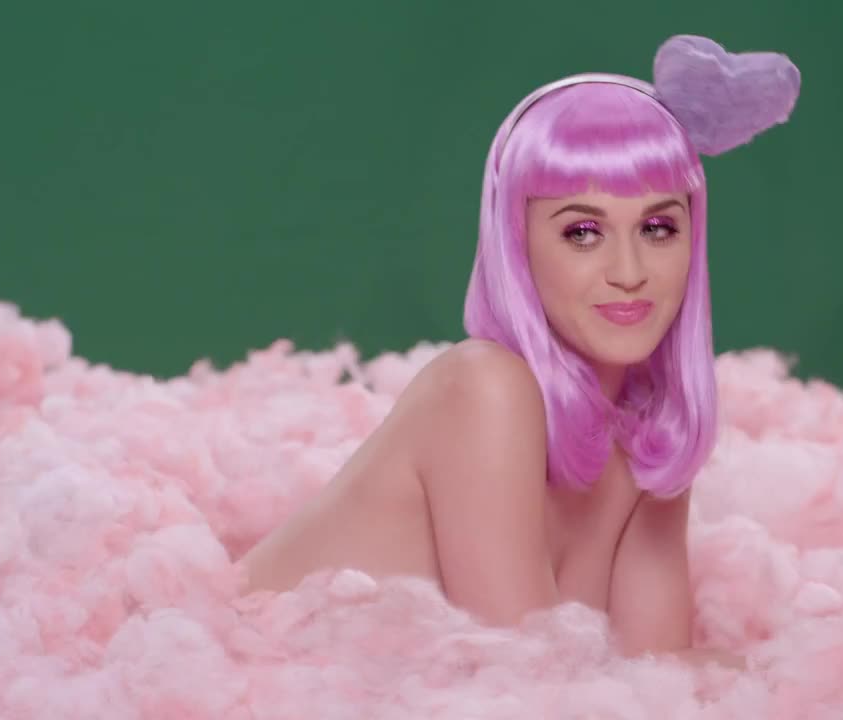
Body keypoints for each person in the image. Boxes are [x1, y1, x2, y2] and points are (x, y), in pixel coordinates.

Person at [237, 34, 801, 668]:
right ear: (518, 243)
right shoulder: (486, 387)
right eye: (582, 232)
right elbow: (534, 677)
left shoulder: (654, 432)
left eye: (657, 227)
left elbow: (656, 677)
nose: (629, 270)